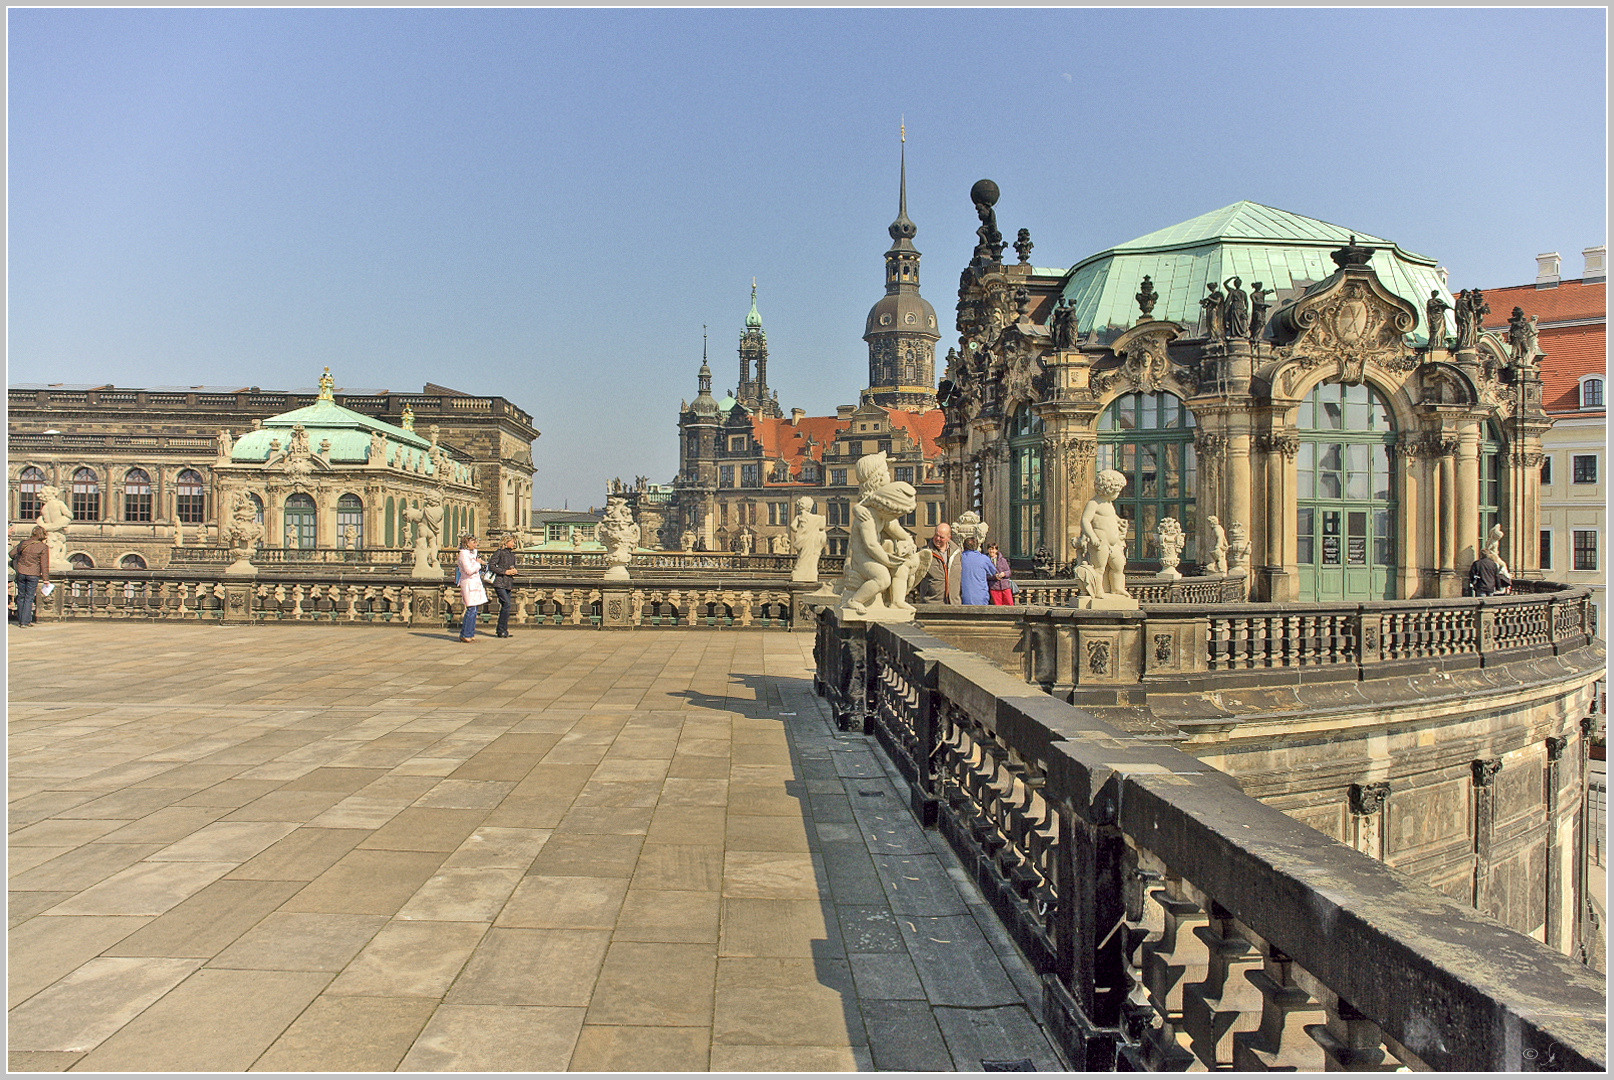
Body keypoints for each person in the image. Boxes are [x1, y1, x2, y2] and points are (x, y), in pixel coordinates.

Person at [10, 525, 51, 627]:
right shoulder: (43, 547)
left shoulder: (23, 543)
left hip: (21, 572)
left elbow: (11, 553)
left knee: (21, 597)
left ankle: (21, 620)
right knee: (29, 597)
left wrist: (19, 560)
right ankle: (26, 621)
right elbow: (44, 564)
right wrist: (46, 579)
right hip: (33, 573)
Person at [916, 522, 961, 603]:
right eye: (936, 535)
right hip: (931, 603)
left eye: (941, 537)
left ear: (948, 538)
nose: (938, 539)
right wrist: (927, 591)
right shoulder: (924, 553)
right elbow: (916, 577)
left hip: (953, 603)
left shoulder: (957, 553)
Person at [456, 535, 488, 642]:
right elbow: (468, 570)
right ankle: (466, 634)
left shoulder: (472, 553)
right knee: (471, 609)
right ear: (467, 543)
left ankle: (468, 632)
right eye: (473, 542)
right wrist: (478, 564)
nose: (475, 544)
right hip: (468, 583)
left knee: (473, 609)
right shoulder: (463, 554)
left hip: (474, 583)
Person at [488, 535, 519, 637]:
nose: (513, 544)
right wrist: (504, 572)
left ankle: (503, 630)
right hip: (500, 582)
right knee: (506, 604)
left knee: (506, 606)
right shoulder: (499, 552)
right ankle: (501, 629)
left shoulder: (512, 554)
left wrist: (513, 571)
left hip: (508, 583)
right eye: (511, 542)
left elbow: (511, 566)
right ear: (505, 543)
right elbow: (491, 565)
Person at [958, 534, 995, 605]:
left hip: (963, 596)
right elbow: (993, 572)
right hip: (981, 597)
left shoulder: (959, 558)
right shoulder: (984, 559)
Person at [984, 541, 1014, 605]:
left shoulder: (1002, 560)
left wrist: (1004, 574)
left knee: (1009, 603)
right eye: (990, 549)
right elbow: (984, 575)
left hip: (1005, 586)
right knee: (998, 605)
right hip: (994, 586)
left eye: (993, 549)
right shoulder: (985, 560)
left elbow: (1009, 572)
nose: (992, 551)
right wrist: (994, 577)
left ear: (996, 550)